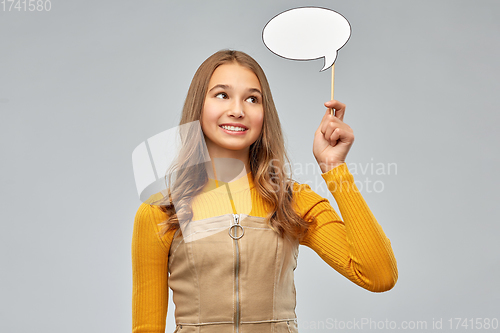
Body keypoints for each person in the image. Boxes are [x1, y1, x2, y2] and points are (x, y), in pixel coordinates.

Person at [132, 50, 398, 333]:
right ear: (198, 106)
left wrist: (334, 168)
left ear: (264, 114)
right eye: (222, 95)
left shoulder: (293, 202)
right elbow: (146, 328)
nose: (237, 110)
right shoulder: (160, 213)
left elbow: (379, 275)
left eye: (252, 99)